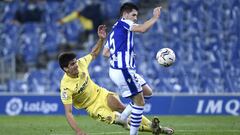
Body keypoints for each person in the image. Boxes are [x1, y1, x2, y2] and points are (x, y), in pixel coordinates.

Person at [59, 25, 173, 135]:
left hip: (101, 94)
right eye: (72, 64)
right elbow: (68, 113)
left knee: (123, 108)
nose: (76, 65)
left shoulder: (81, 63)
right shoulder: (66, 87)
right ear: (65, 69)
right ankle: (155, 130)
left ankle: (153, 125)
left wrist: (101, 39)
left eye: (75, 61)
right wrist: (78, 131)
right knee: (122, 121)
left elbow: (93, 54)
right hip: (92, 107)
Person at [102, 3, 174, 135]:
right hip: (123, 70)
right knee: (139, 102)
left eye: (136, 15)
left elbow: (105, 53)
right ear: (125, 14)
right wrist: (155, 18)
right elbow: (141, 29)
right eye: (133, 15)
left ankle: (122, 118)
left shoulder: (114, 29)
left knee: (147, 93)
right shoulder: (124, 23)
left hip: (120, 70)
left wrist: (122, 53)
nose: (135, 18)